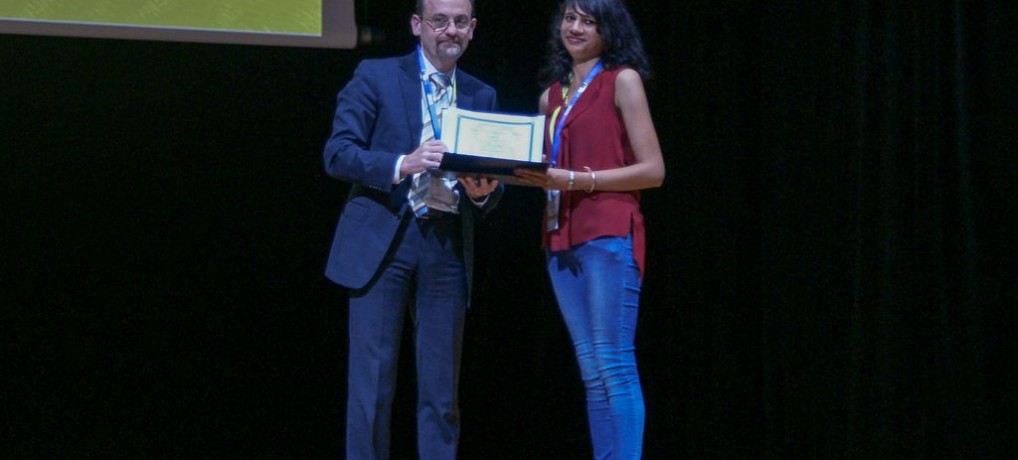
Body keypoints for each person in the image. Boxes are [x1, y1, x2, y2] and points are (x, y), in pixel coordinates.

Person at [321, 0, 501, 458]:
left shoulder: (481, 96)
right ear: (417, 25)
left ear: (473, 29)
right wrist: (403, 163)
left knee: (442, 395)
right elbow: (338, 153)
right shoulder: (376, 75)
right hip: (384, 242)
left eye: (460, 22)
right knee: (372, 388)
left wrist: (483, 192)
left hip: (445, 246)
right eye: (439, 20)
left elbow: (494, 184)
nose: (450, 30)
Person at [514, 0, 664, 458]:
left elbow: (654, 170)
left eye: (589, 21)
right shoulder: (550, 97)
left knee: (614, 363)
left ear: (608, 31)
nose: (575, 28)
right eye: (570, 18)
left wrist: (581, 180)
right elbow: (540, 169)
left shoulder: (622, 80)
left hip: (608, 232)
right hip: (559, 238)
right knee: (592, 370)